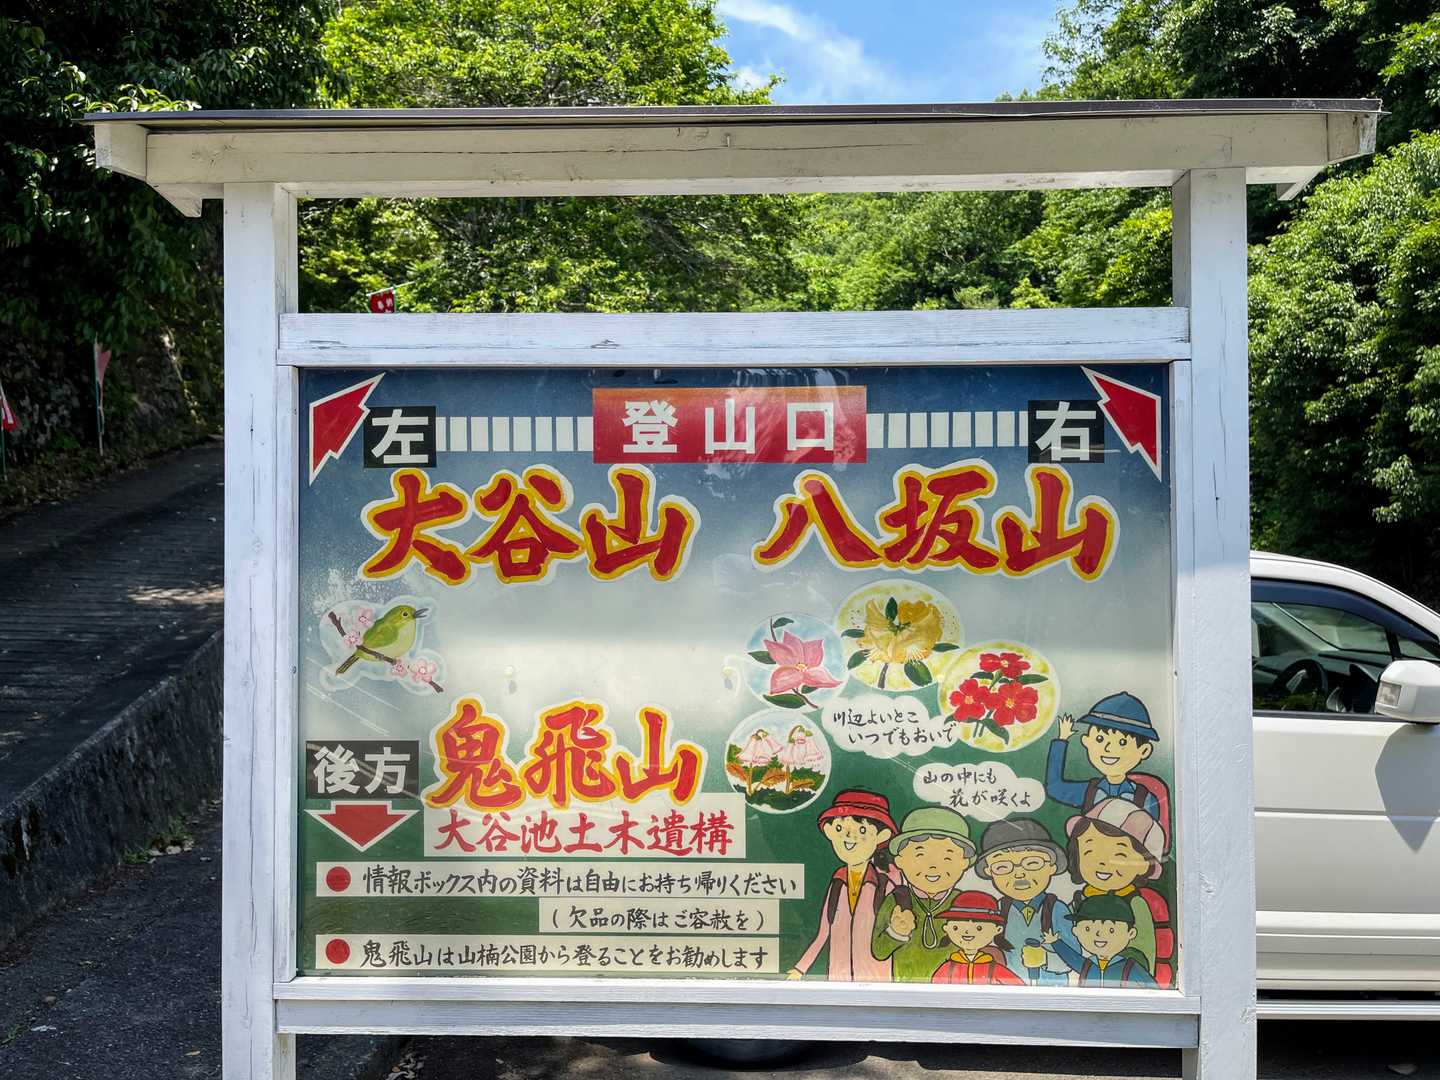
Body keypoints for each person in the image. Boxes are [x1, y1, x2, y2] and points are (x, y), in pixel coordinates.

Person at [787, 789, 898, 981]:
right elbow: (823, 933)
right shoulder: (837, 884)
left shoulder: (885, 885)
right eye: (839, 829)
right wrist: (799, 969)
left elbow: (896, 932)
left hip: (876, 981)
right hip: (838, 981)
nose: (848, 837)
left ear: (881, 836)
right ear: (830, 832)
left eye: (862, 831)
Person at [1065, 797, 1174, 987]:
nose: (1102, 862)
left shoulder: (1136, 904)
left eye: (1119, 855)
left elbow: (1144, 952)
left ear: (1143, 865)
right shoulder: (1079, 898)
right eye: (1090, 851)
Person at [1046, 691, 1170, 850]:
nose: (1108, 748)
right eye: (1100, 739)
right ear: (1086, 741)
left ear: (1144, 751)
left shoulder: (1145, 798)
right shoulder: (1089, 791)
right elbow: (1055, 787)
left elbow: (1151, 840)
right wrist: (1061, 741)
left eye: (1122, 742)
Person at [871, 805, 976, 982]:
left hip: (955, 989)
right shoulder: (898, 899)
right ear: (900, 860)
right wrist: (896, 932)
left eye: (947, 857)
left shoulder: (963, 902)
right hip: (906, 989)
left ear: (964, 863)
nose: (933, 866)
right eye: (920, 855)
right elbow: (879, 951)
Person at [975, 817, 1079, 986]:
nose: (1019, 874)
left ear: (1051, 866)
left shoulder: (1056, 909)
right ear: (989, 871)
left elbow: (1075, 959)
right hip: (1004, 989)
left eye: (1032, 863)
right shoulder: (996, 910)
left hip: (1052, 991)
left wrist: (1045, 958)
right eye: (1003, 867)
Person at [1043, 893, 1159, 988]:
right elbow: (1071, 958)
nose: (1099, 935)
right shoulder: (1088, 965)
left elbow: (1153, 988)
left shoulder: (1129, 967)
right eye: (1088, 929)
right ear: (1076, 931)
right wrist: (1055, 942)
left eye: (1111, 930)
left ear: (1131, 933)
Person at [930, 891, 1024, 985]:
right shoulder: (948, 968)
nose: (967, 932)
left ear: (998, 929)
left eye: (979, 928)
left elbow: (1018, 987)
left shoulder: (994, 968)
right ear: (946, 928)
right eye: (956, 928)